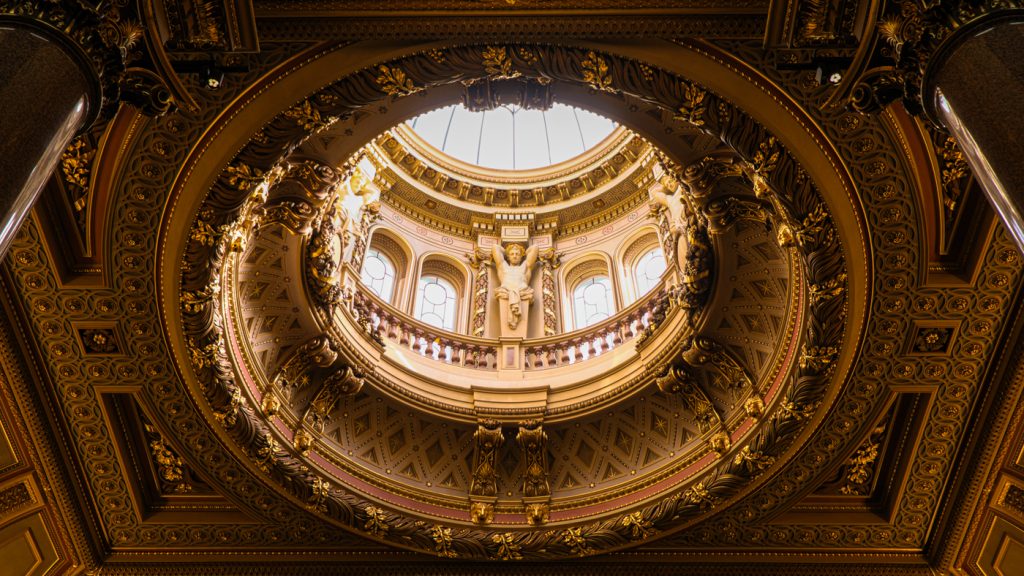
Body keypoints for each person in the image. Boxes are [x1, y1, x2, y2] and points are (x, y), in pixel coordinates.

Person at [492, 243, 539, 329]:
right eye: (512, 254)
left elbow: (534, 248)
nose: (514, 256)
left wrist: (523, 251)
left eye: (517, 254)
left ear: (521, 257)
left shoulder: (525, 267)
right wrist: (506, 251)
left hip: (524, 293)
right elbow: (495, 247)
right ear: (508, 257)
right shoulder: (503, 267)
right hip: (504, 293)